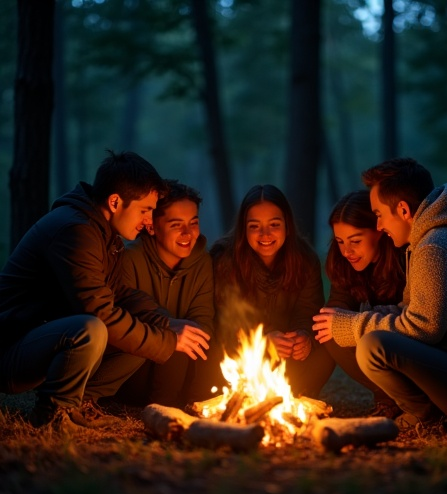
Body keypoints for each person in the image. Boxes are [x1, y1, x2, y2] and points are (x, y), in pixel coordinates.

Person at [0, 150, 208, 433]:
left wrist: (164, 322)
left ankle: (82, 403)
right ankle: (54, 413)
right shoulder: (75, 231)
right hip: (11, 349)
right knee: (91, 327)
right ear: (115, 201)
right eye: (145, 209)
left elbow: (120, 294)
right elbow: (99, 313)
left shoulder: (103, 234)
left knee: (141, 332)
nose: (149, 221)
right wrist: (169, 341)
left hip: (39, 340)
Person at [313, 157, 447, 430]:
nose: (379, 225)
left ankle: (428, 416)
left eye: (379, 214)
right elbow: (413, 311)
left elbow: (424, 328)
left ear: (404, 210)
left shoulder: (436, 247)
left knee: (375, 347)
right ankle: (430, 412)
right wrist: (352, 321)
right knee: (362, 335)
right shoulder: (429, 241)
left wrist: (356, 325)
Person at [210, 184, 335, 398]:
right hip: (239, 358)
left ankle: (293, 397)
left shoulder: (305, 259)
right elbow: (220, 322)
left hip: (288, 361)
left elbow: (308, 312)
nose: (265, 234)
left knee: (330, 341)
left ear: (287, 225)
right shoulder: (224, 259)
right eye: (254, 226)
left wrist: (304, 338)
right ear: (244, 228)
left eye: (274, 224)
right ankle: (242, 396)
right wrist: (261, 342)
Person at [115, 180, 225, 408]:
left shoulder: (201, 262)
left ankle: (196, 403)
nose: (187, 233)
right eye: (176, 225)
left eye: (193, 223)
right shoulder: (130, 259)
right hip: (137, 367)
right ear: (152, 226)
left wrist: (187, 333)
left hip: (184, 368)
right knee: (175, 339)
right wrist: (171, 330)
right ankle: (163, 407)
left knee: (200, 338)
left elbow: (203, 318)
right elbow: (124, 318)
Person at [323, 189, 406, 419]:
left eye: (355, 241)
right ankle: (387, 396)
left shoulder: (404, 256)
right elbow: (336, 308)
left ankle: (412, 395)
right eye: (340, 241)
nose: (347, 251)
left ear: (378, 231)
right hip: (375, 330)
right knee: (327, 329)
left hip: (407, 338)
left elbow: (416, 319)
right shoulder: (343, 261)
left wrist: (359, 321)